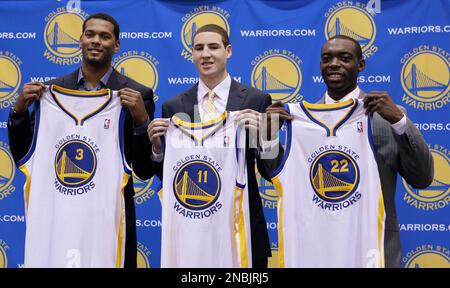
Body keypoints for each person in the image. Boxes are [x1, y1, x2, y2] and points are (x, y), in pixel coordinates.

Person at [267, 35, 434, 268]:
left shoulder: (386, 116)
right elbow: (274, 174)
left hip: (373, 252)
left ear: (361, 65)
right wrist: (265, 139)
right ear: (320, 66)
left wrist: (399, 121)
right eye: (327, 59)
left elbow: (423, 178)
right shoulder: (298, 120)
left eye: (345, 58)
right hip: (315, 250)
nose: (334, 64)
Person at [7, 13, 156, 268]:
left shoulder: (137, 94)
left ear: (117, 44)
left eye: (105, 36)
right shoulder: (51, 92)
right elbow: (25, 153)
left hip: (108, 218)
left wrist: (142, 121)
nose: (96, 41)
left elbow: (143, 169)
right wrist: (19, 112)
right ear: (81, 40)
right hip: (59, 216)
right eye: (90, 34)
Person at [148, 24, 282, 268]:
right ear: (192, 55)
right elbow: (169, 176)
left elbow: (271, 168)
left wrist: (266, 135)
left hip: (242, 227)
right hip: (191, 227)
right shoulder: (174, 106)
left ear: (228, 51)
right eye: (198, 48)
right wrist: (157, 150)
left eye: (213, 47)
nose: (205, 54)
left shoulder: (257, 99)